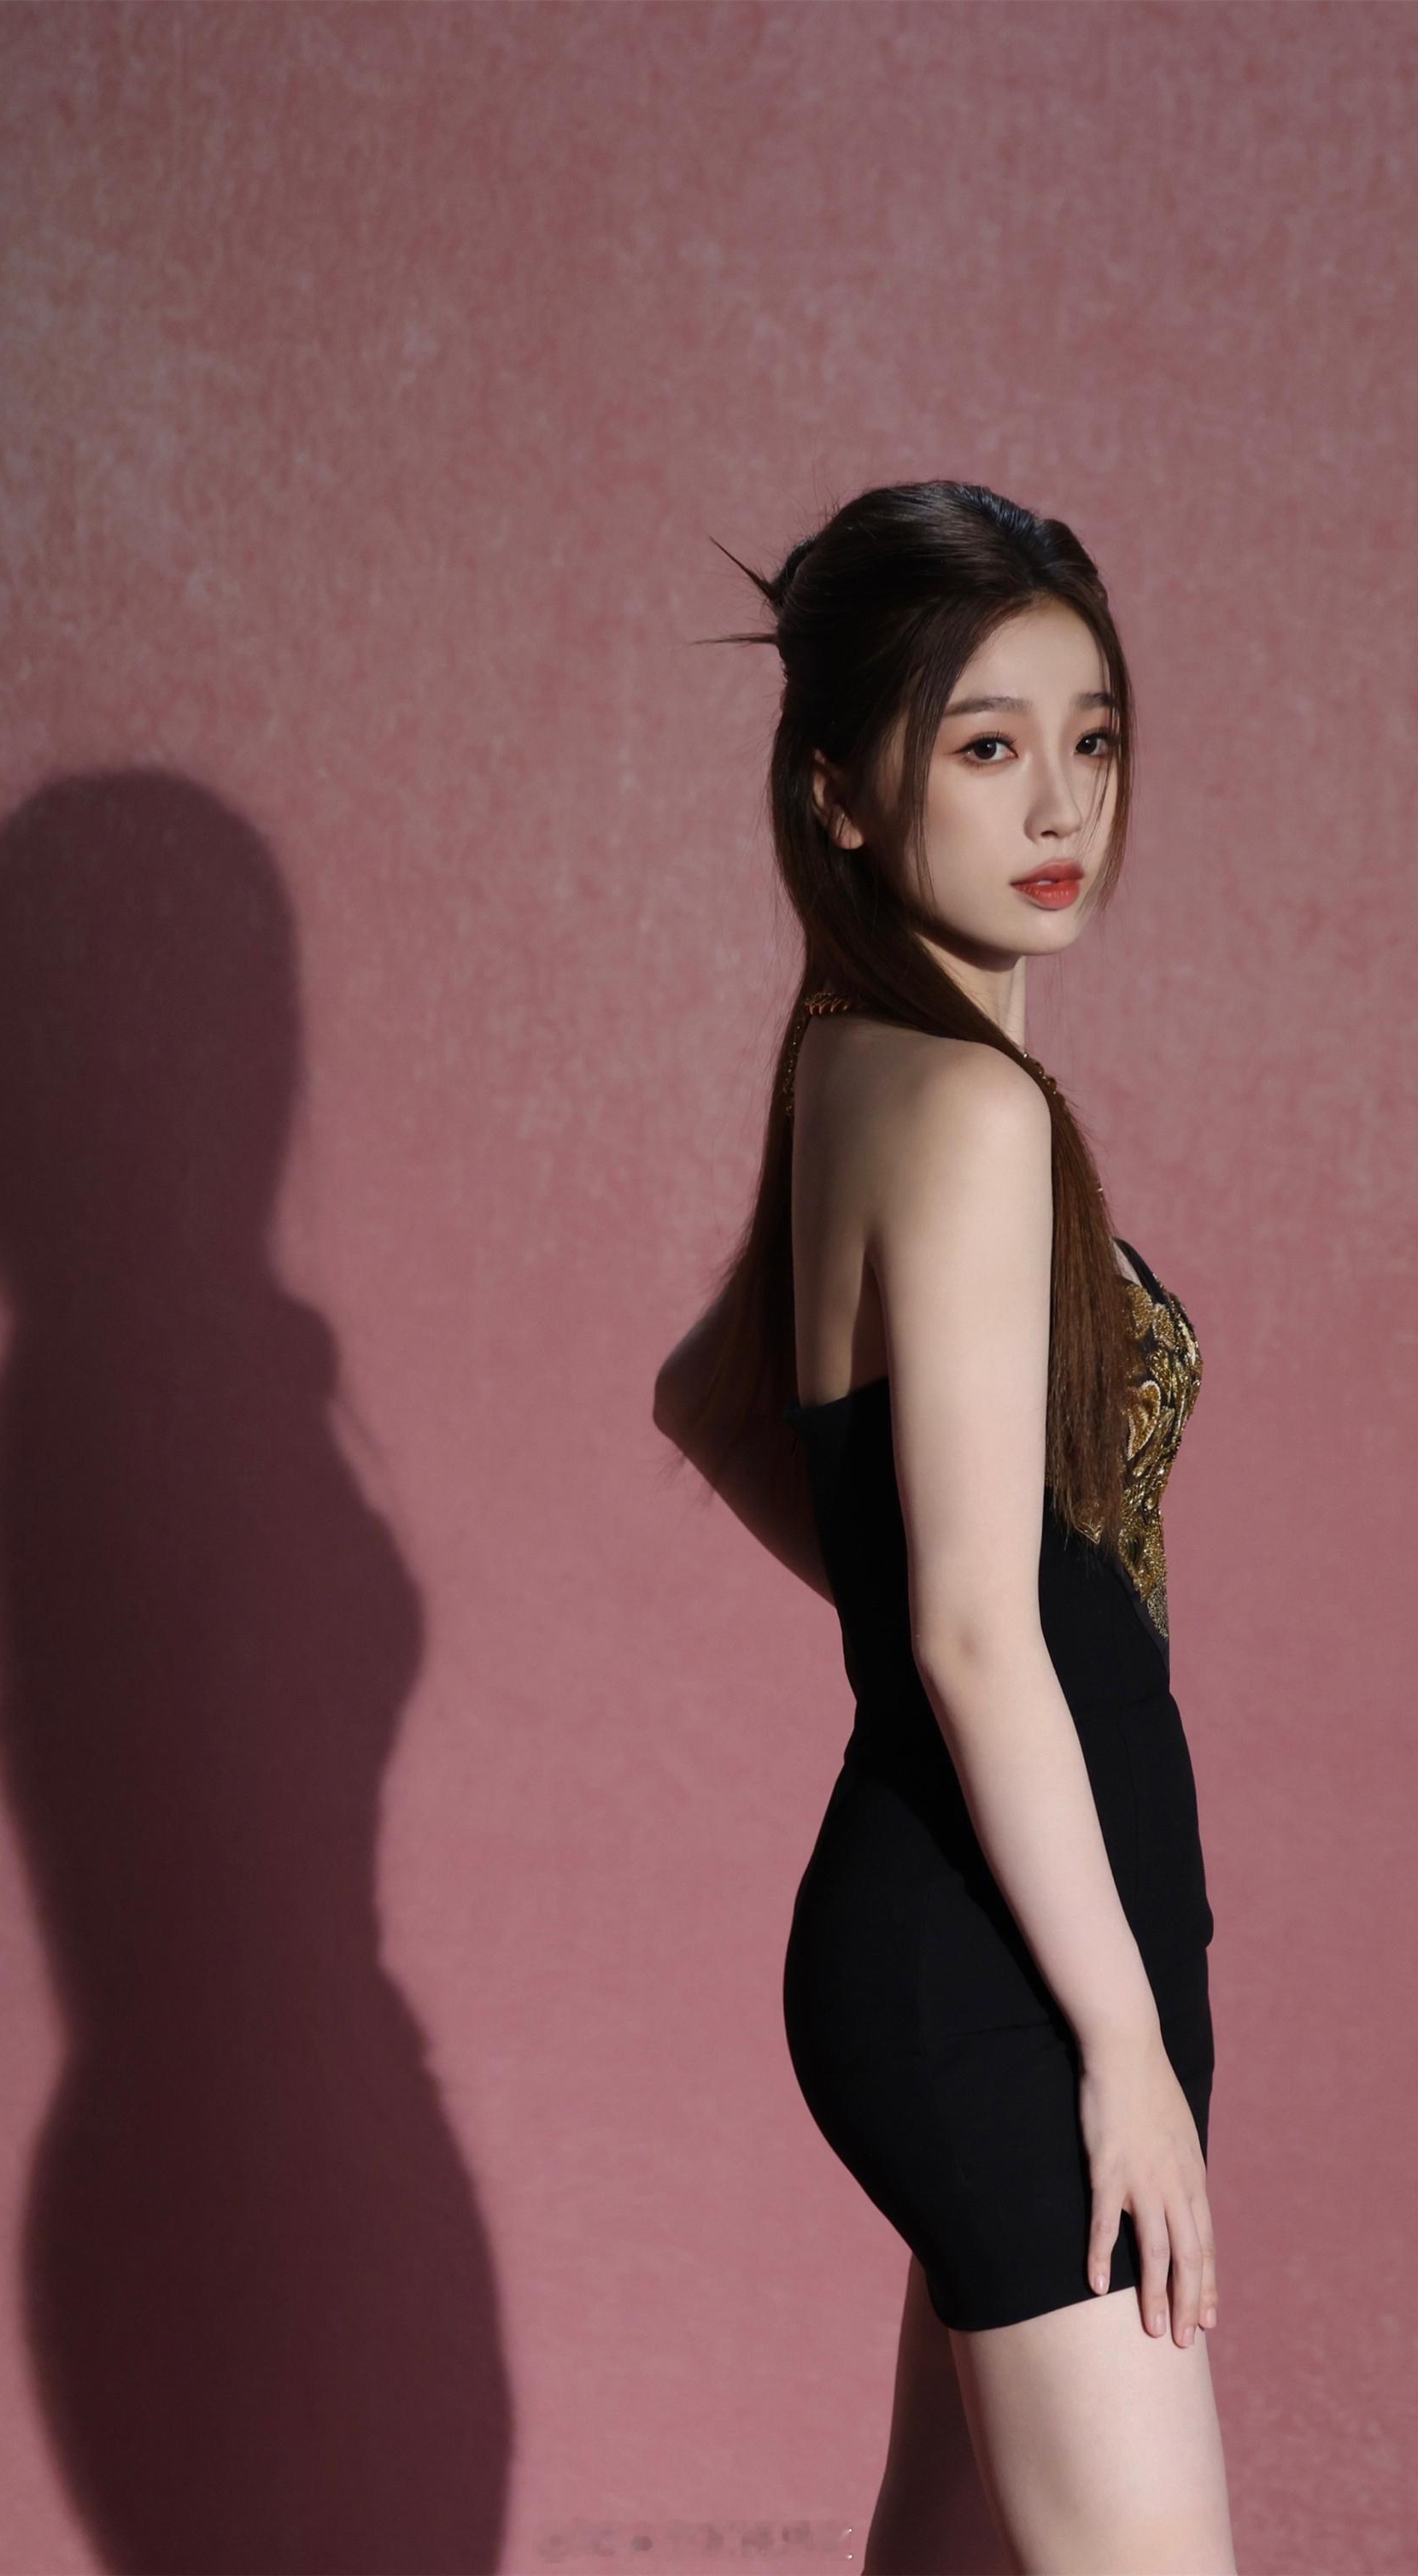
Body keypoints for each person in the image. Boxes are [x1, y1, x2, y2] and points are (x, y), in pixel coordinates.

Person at [652, 481, 1239, 2574]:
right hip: (1011, 1961)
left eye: (1091, 736)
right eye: (984, 744)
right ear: (836, 790)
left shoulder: (852, 1068)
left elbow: (709, 1400)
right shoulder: (972, 1112)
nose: (1059, 801)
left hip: (978, 1913)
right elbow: (981, 1635)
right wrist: (1120, 2044)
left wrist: (924, 1625)